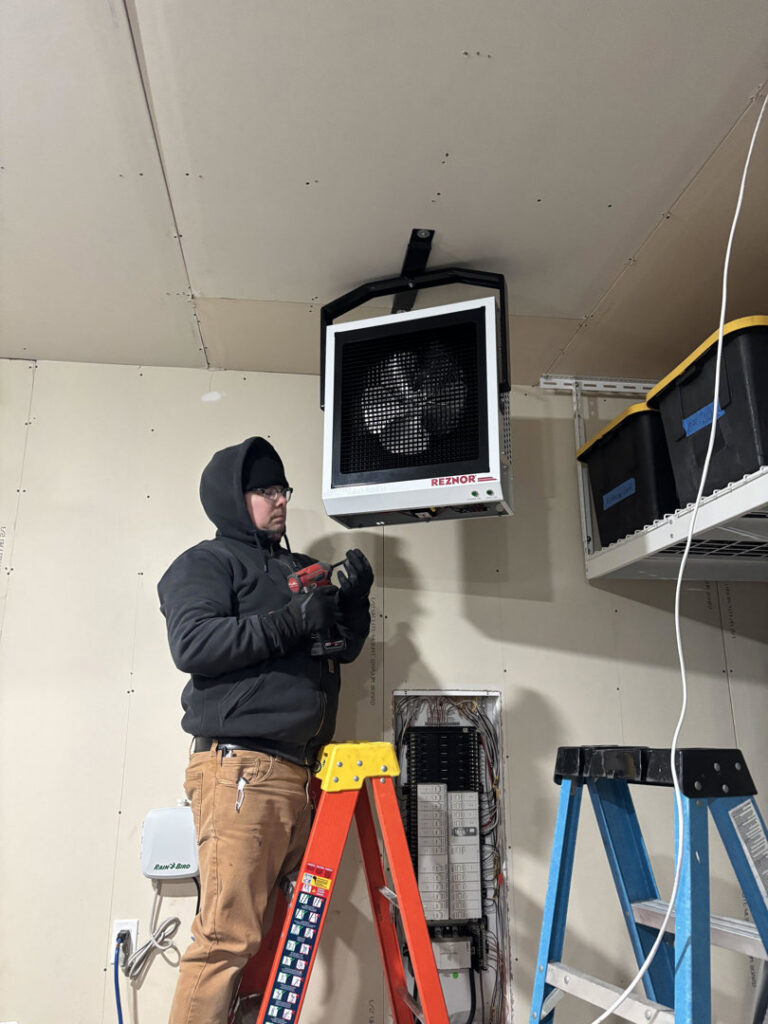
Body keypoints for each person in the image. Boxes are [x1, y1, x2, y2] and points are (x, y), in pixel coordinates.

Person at [158, 436, 373, 1024]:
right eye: (265, 490)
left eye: (283, 490)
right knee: (226, 939)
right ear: (234, 497)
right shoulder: (206, 563)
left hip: (296, 773)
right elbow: (194, 643)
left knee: (272, 936)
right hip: (242, 771)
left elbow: (339, 650)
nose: (280, 500)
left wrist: (351, 604)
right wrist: (290, 618)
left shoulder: (292, 569)